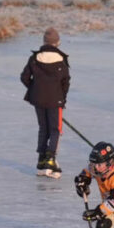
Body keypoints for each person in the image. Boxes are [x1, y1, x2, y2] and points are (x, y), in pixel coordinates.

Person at [20, 27, 70, 178]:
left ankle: (41, 160)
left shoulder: (35, 58)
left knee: (44, 128)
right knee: (55, 130)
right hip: (55, 100)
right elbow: (65, 82)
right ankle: (50, 161)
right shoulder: (61, 59)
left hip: (39, 100)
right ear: (57, 42)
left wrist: (36, 89)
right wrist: (62, 98)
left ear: (44, 41)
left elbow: (24, 77)